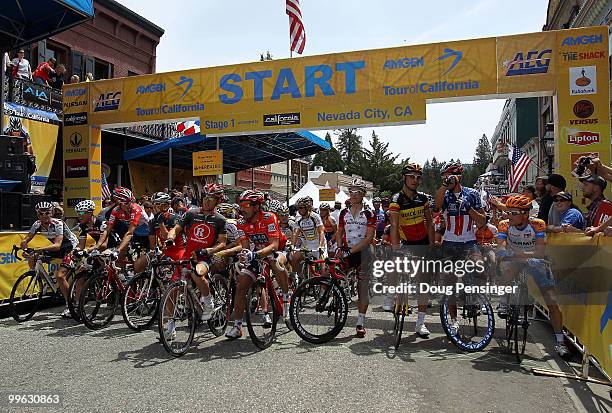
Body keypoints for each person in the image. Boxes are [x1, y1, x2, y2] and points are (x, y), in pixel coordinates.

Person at [496, 195, 571, 357]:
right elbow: (501, 245)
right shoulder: (504, 224)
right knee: (507, 267)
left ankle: (560, 342)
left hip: (535, 260)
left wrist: (518, 254)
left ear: (525, 214)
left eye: (513, 213)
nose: (509, 216)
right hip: (515, 259)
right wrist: (502, 252)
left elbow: (539, 252)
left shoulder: (538, 224)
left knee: (552, 301)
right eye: (508, 212)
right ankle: (503, 300)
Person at [225, 190, 290, 339]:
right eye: (241, 205)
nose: (242, 208)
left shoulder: (269, 217)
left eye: (246, 205)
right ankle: (237, 326)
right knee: (241, 284)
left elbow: (274, 245)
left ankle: (286, 297)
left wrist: (255, 254)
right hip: (258, 253)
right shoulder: (241, 222)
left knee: (276, 262)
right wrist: (244, 255)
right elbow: (246, 245)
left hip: (277, 249)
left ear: (256, 207)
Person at [434, 161, 486, 335]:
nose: (446, 179)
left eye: (449, 176)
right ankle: (454, 320)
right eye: (443, 177)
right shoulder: (445, 194)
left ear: (458, 177)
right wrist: (444, 186)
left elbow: (482, 221)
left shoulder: (472, 193)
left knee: (479, 267)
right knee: (449, 281)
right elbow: (436, 205)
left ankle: (475, 297)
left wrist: (469, 209)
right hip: (449, 242)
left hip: (469, 241)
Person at [166, 184, 227, 325]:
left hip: (205, 257)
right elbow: (176, 229)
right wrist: (170, 238)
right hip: (188, 256)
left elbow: (222, 243)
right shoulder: (191, 213)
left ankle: (208, 302)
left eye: (211, 198)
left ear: (217, 201)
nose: (207, 201)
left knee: (197, 272)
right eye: (205, 197)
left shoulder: (220, 219)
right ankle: (169, 327)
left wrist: (208, 250)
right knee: (172, 292)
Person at [388, 163, 435, 336]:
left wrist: (431, 245)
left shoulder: (422, 199)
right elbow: (393, 225)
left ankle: (420, 323)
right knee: (394, 266)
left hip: (422, 242)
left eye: (418, 177)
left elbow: (430, 223)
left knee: (423, 282)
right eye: (411, 177)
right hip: (406, 243)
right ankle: (393, 295)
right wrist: (395, 248)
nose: (415, 180)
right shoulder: (396, 199)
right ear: (404, 178)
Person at [20, 201, 78, 318]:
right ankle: (45, 280)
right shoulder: (37, 224)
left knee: (60, 276)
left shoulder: (58, 223)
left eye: (47, 213)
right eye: (41, 213)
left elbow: (57, 245)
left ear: (51, 213)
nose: (44, 216)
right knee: (33, 257)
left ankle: (70, 306)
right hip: (57, 247)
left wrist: (39, 249)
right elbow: (26, 239)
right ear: (37, 214)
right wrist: (25, 247)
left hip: (69, 247)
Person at [336, 179, 376, 337]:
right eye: (351, 191)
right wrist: (339, 247)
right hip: (346, 250)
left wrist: (350, 251)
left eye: (357, 192)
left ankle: (360, 322)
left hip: (363, 252)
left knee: (362, 288)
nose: (352, 194)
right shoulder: (343, 212)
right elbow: (339, 231)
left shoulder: (369, 213)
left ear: (363, 195)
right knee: (328, 272)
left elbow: (368, 238)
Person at [91, 187, 149, 268]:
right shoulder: (116, 210)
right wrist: (97, 246)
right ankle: (121, 275)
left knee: (139, 264)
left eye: (130, 202)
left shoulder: (135, 209)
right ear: (119, 203)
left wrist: (117, 250)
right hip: (133, 231)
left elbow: (129, 233)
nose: (129, 205)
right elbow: (107, 230)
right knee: (121, 251)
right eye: (126, 203)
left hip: (146, 233)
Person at [290, 196, 327, 277]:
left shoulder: (315, 217)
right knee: (295, 257)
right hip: (307, 245)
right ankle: (299, 277)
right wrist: (292, 245)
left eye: (301, 208)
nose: (298, 210)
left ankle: (324, 287)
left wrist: (320, 246)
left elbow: (321, 232)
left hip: (319, 244)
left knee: (323, 270)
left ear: (307, 207)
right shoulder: (298, 219)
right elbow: (295, 233)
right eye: (297, 208)